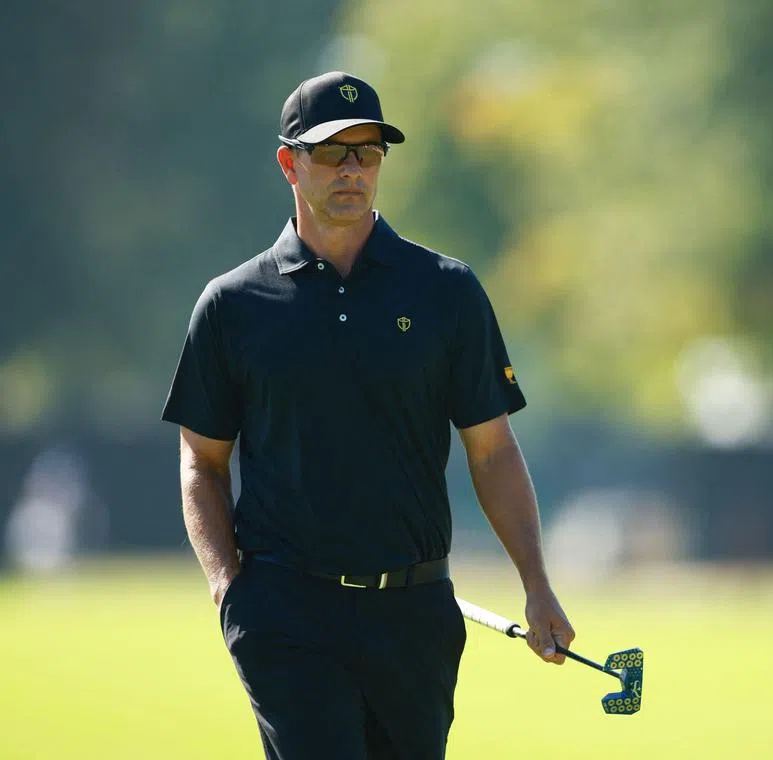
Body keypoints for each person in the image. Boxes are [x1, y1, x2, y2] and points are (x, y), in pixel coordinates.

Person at [161, 70, 575, 760]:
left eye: (369, 151)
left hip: (415, 616)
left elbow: (493, 451)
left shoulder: (446, 291)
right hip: (286, 615)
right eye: (332, 152)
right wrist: (227, 588)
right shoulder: (233, 305)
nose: (353, 168)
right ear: (290, 162)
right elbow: (202, 461)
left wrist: (537, 585)